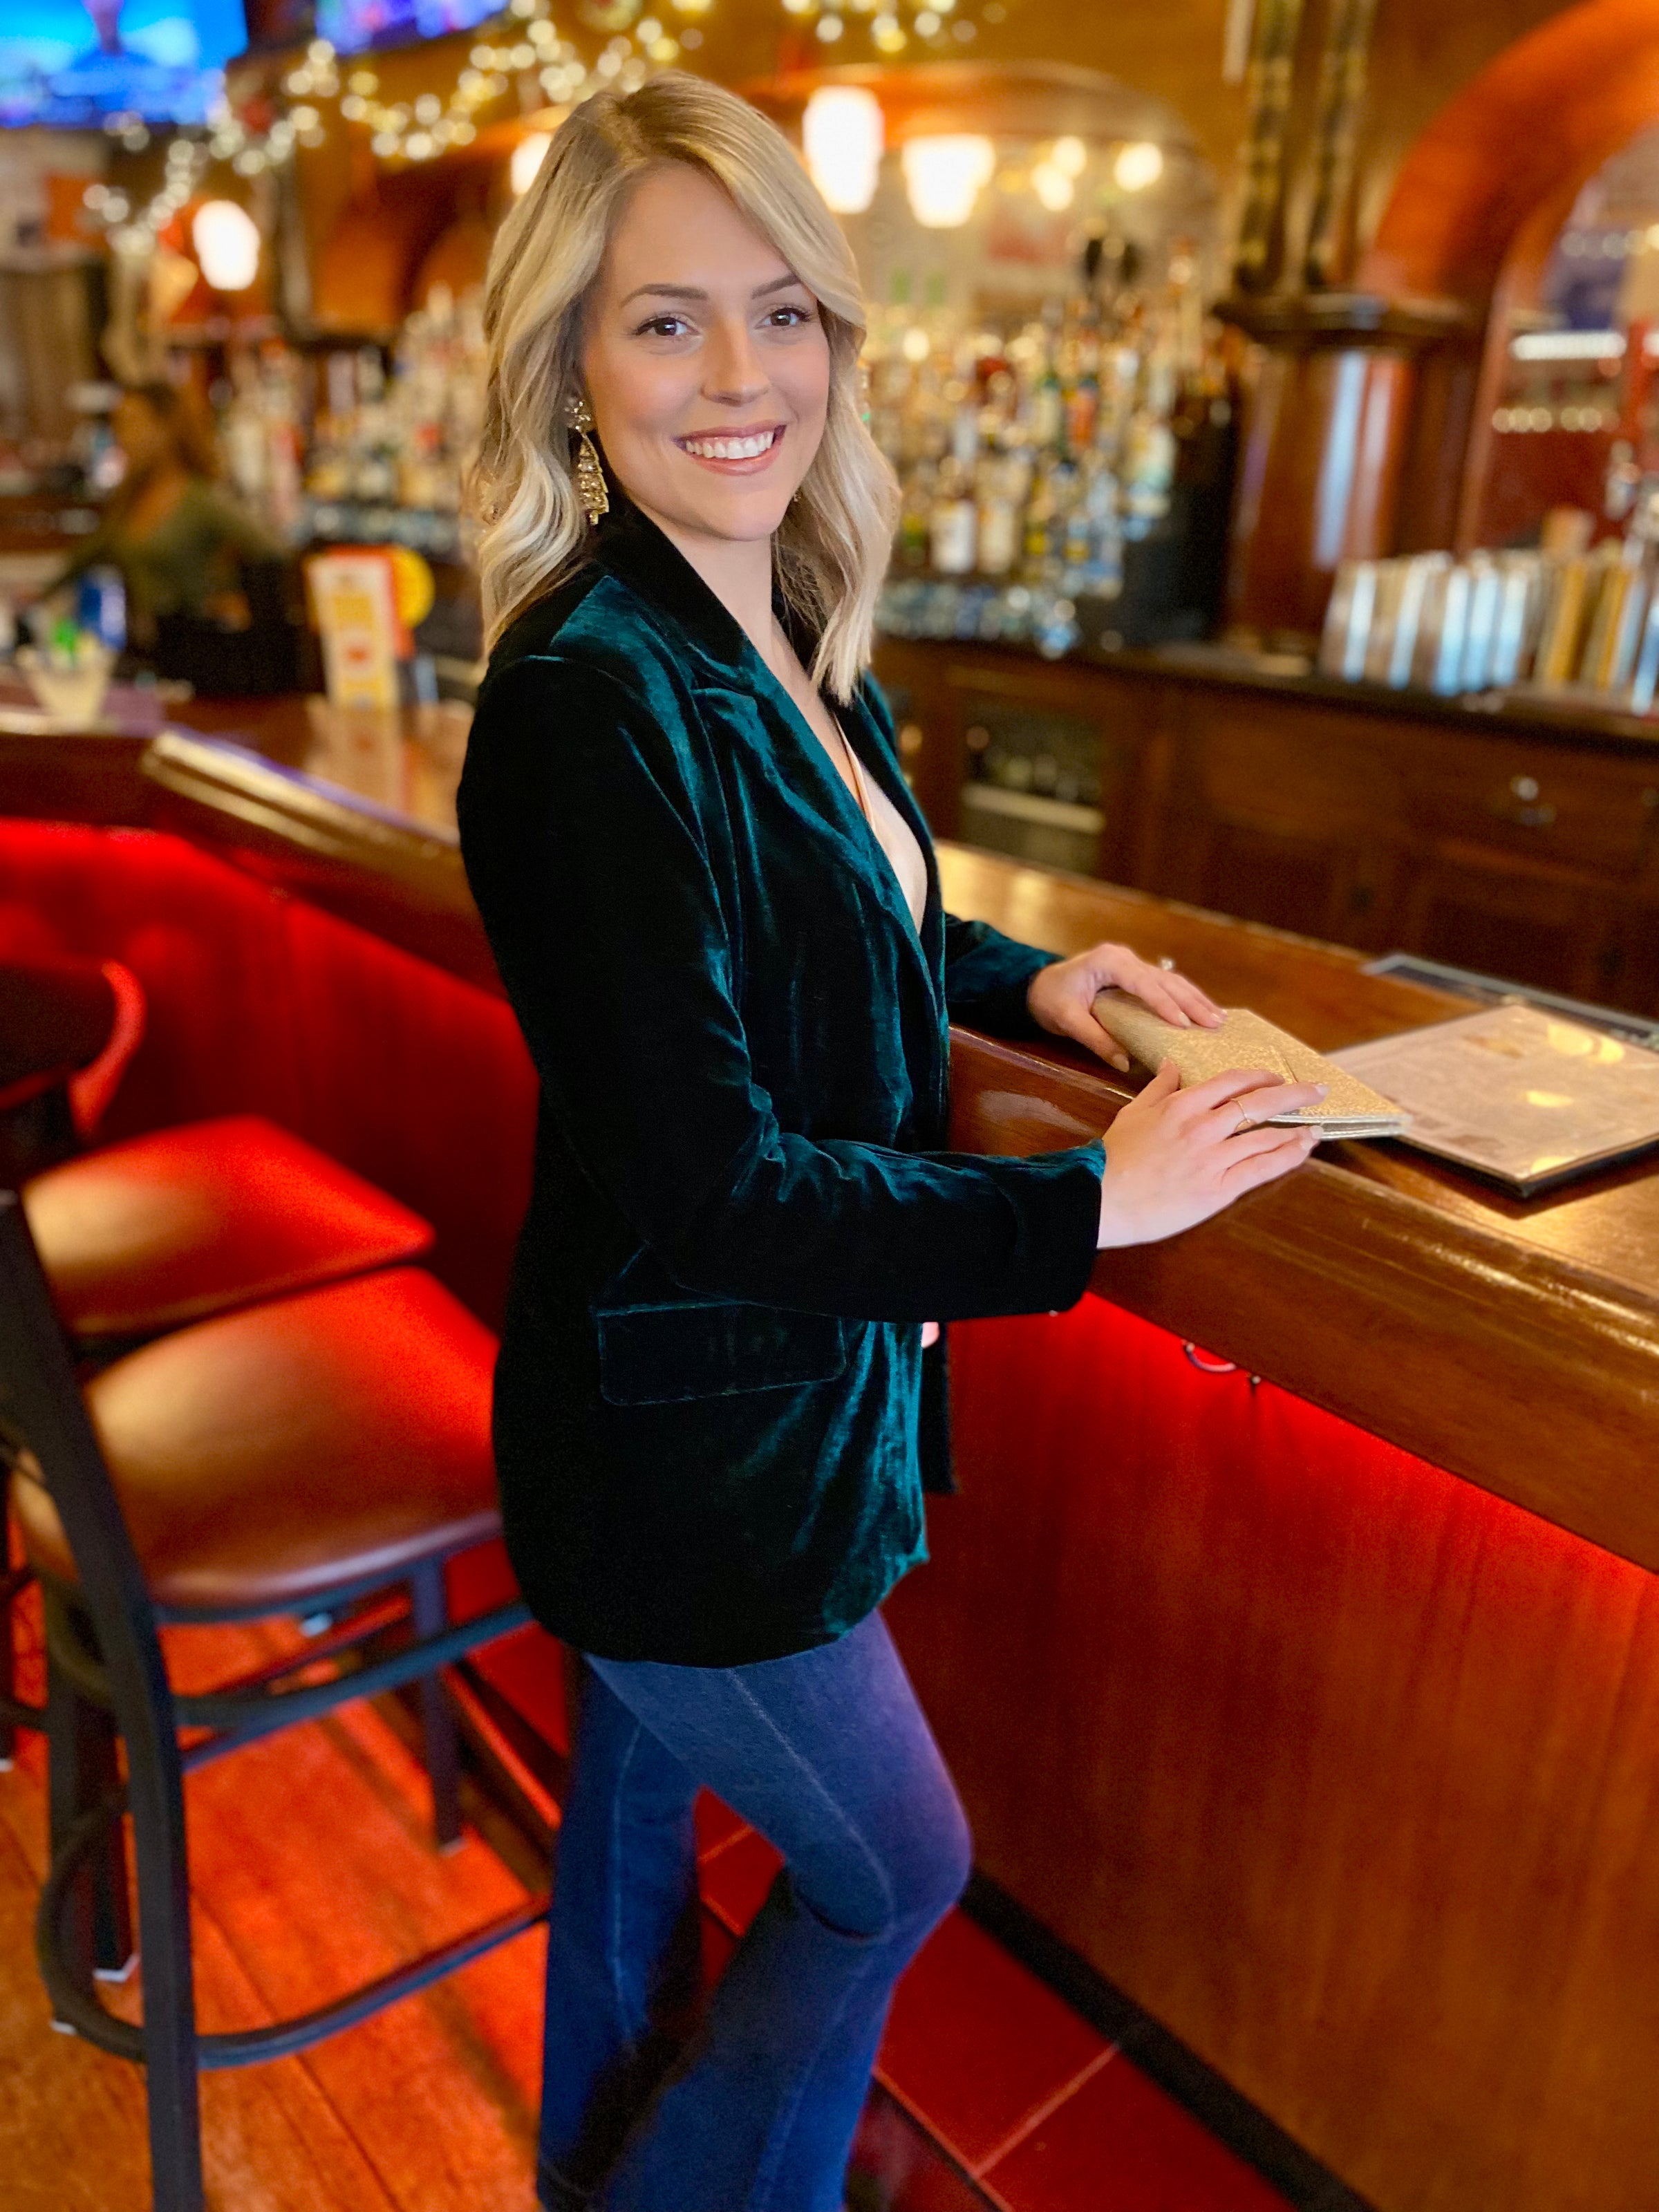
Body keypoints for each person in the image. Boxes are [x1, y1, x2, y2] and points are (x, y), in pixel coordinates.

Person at [457, 73, 1326, 2212]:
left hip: (713, 1420)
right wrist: (1092, 1203)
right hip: (691, 1460)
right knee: (896, 1868)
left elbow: (844, 912)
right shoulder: (586, 694)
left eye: (782, 313)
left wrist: (1036, 981)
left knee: (629, 1840)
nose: (739, 374)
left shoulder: (770, 618)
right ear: (568, 362)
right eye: (666, 320)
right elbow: (717, 1186)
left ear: (838, 339)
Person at [46, 380, 285, 669]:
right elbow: (82, 559)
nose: (122, 435)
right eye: (118, 424)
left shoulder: (199, 498)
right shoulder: (126, 501)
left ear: (166, 428)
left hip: (202, 653)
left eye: (132, 422)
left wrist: (239, 598)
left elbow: (274, 551)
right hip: (146, 653)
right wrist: (35, 598)